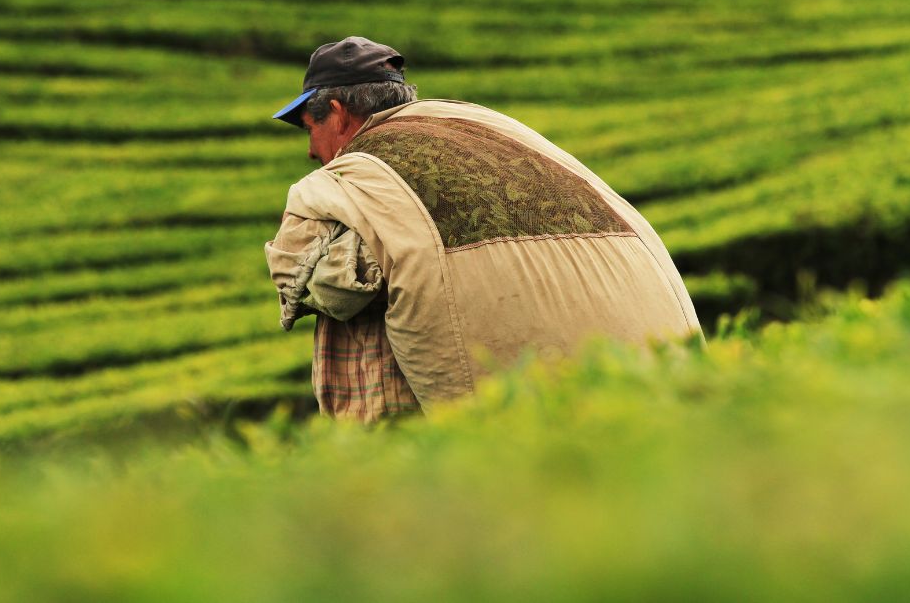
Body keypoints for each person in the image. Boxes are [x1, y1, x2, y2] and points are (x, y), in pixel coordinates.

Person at [265, 36, 703, 422]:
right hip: (649, 378)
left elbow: (301, 273)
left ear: (338, 114)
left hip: (486, 417)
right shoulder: (486, 133)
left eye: (310, 128)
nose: (311, 151)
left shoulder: (361, 171)